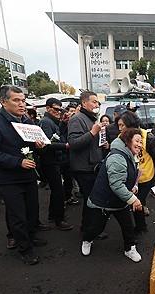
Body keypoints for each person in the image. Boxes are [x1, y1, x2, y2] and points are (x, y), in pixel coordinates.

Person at [0, 85, 47, 265]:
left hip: (29, 175)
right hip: (9, 179)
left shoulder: (26, 120)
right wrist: (17, 162)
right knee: (17, 215)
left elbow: (31, 144)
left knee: (32, 211)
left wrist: (38, 145)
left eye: (23, 100)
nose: (22, 104)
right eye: (16, 100)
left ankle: (30, 237)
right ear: (3, 102)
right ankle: (24, 248)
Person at [81, 128, 143, 262]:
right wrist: (133, 199)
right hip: (104, 201)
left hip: (120, 201)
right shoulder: (117, 157)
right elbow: (116, 184)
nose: (140, 145)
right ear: (127, 141)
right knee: (96, 227)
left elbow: (130, 175)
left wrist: (134, 186)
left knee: (128, 226)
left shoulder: (129, 153)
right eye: (137, 141)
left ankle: (130, 248)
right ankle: (87, 240)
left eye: (141, 141)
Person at [118, 111, 155, 233]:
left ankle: (140, 227)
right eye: (118, 125)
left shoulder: (147, 137)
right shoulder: (120, 138)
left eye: (122, 125)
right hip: (129, 178)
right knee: (134, 202)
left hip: (146, 177)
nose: (119, 129)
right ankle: (140, 225)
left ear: (130, 125)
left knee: (137, 201)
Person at [67, 91, 104, 231]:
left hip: (93, 166)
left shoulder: (91, 118)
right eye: (94, 102)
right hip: (84, 168)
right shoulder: (77, 119)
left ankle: (90, 227)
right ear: (84, 103)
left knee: (93, 199)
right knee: (91, 200)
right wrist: (92, 133)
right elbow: (73, 143)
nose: (96, 105)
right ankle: (88, 230)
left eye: (97, 102)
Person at [38, 98, 74, 231]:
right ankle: (59, 219)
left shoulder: (53, 121)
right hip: (50, 161)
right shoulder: (45, 122)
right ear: (47, 108)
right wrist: (65, 145)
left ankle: (53, 216)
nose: (59, 111)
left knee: (57, 190)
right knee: (58, 190)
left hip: (56, 160)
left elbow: (58, 134)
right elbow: (48, 143)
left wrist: (63, 124)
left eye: (60, 109)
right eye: (56, 109)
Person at [60, 103, 79, 205]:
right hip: (63, 155)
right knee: (66, 179)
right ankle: (66, 197)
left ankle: (69, 196)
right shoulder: (62, 124)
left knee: (70, 179)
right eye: (70, 111)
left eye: (74, 111)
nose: (71, 113)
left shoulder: (76, 123)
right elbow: (61, 134)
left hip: (71, 156)